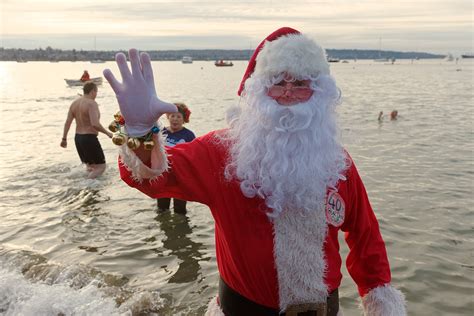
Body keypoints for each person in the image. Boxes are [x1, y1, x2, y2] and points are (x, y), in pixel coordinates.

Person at [103, 27, 406, 315]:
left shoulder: (338, 163)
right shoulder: (222, 152)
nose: (288, 93)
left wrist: (379, 299)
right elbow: (154, 179)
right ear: (259, 90)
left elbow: (366, 236)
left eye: (301, 84)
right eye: (278, 82)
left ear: (319, 93)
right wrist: (140, 131)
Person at [60, 82, 113, 178]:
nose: (96, 94)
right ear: (93, 91)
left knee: (90, 167)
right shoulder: (91, 104)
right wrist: (108, 133)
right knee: (101, 167)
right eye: (96, 92)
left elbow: (68, 122)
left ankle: (90, 191)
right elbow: (95, 124)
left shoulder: (74, 103)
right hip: (89, 138)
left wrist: (64, 139)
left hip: (78, 138)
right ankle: (86, 185)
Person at [157, 102, 196, 214]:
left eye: (179, 117)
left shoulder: (189, 135)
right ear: (168, 117)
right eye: (172, 116)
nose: (175, 119)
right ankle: (164, 229)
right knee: (162, 209)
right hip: (164, 175)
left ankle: (181, 230)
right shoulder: (161, 132)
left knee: (180, 210)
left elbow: (193, 156)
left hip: (180, 177)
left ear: (184, 120)